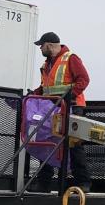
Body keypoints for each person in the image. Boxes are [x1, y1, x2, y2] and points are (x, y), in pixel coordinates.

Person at [32, 32, 91, 191]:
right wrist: (32, 95)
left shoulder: (71, 58)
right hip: (53, 108)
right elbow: (45, 88)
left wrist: (68, 97)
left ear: (49, 45)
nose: (40, 49)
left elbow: (83, 80)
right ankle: (44, 183)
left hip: (72, 106)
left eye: (41, 46)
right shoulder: (46, 64)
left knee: (74, 145)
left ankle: (83, 182)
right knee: (47, 142)